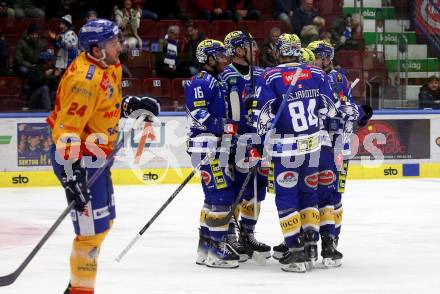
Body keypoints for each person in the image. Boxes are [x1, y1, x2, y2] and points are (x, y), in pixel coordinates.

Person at [46, 19, 159, 294]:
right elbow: (67, 131)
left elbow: (106, 103)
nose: (120, 46)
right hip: (79, 160)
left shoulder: (110, 65)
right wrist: (72, 175)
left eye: (119, 40)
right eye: (113, 42)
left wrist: (131, 105)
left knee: (103, 224)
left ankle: (75, 287)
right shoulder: (83, 81)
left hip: (98, 157)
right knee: (89, 234)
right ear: (96, 49)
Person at [251, 33, 342, 273]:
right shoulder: (317, 74)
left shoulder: (270, 76)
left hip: (286, 150)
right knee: (308, 195)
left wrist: (258, 142)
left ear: (279, 52)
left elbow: (261, 118)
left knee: (286, 197)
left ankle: (294, 249)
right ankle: (311, 245)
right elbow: (331, 110)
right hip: (312, 147)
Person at [307, 40, 372, 267]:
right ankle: (306, 239)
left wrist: (354, 112)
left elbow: (349, 106)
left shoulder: (338, 78)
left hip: (338, 145)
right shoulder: (308, 76)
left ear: (326, 58)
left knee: (334, 194)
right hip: (313, 144)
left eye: (318, 56)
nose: (315, 59)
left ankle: (331, 240)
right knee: (308, 192)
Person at [185, 39, 239, 268]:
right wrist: (222, 126)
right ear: (208, 58)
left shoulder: (218, 81)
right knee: (221, 195)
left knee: (213, 197)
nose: (225, 59)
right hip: (206, 146)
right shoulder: (200, 81)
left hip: (215, 145)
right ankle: (217, 252)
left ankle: (205, 248)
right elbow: (197, 112)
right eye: (220, 55)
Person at [220, 31, 271, 261]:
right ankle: (230, 235)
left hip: (258, 143)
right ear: (238, 50)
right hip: (234, 142)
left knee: (256, 190)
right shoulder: (224, 76)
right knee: (234, 190)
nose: (255, 48)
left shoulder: (261, 74)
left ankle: (247, 234)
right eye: (250, 45)